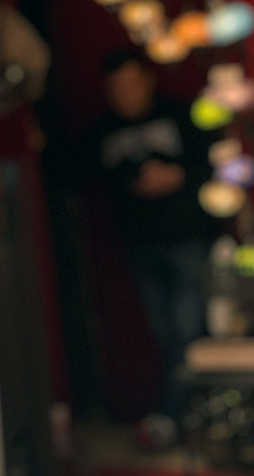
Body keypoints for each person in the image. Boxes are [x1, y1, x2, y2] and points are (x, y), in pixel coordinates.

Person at [89, 47, 218, 448]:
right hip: (141, 243)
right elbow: (82, 175)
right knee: (165, 333)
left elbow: (217, 161)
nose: (125, 94)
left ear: (148, 81)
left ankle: (178, 417)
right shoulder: (104, 132)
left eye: (131, 84)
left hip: (189, 237)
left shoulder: (181, 115)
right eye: (116, 88)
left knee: (189, 328)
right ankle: (188, 415)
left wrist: (178, 176)